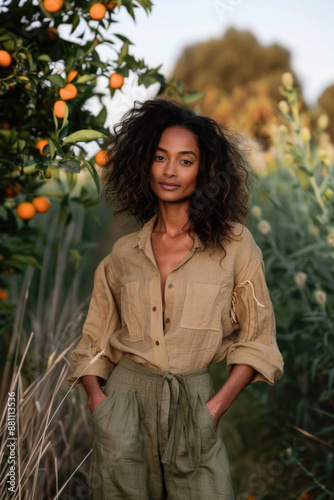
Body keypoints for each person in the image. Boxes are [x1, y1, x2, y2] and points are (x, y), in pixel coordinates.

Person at [67, 98, 284, 500]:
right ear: (143, 164)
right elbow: (93, 342)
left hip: (195, 404)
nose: (170, 171)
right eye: (160, 157)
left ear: (205, 170)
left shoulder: (235, 246)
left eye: (185, 160)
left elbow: (259, 340)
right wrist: (101, 404)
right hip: (125, 405)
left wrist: (214, 409)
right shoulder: (124, 253)